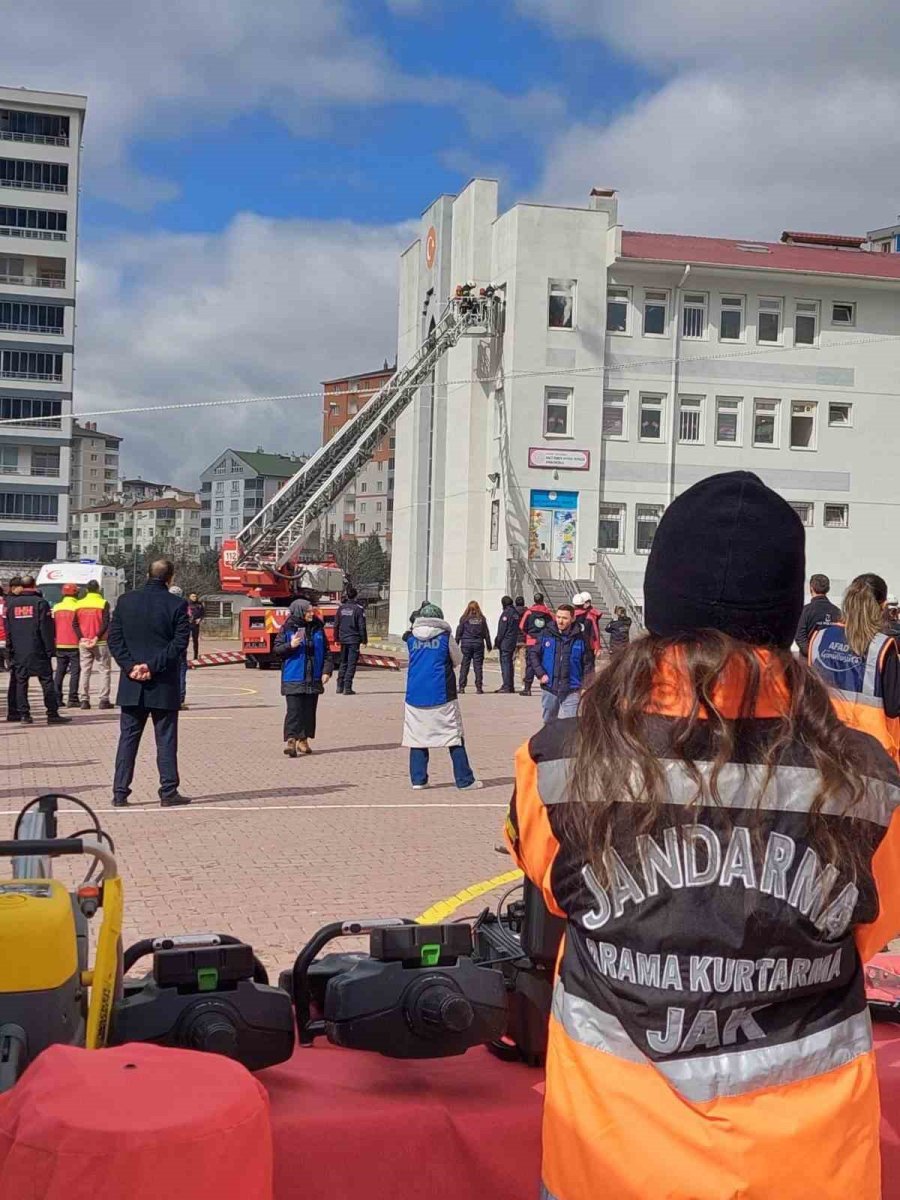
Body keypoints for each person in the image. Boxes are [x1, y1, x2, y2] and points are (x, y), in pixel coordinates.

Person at [505, 470, 900, 1200]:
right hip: (809, 1171)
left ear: (660, 603)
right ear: (787, 616)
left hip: (610, 1163)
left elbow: (555, 903)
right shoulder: (873, 776)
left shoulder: (558, 762)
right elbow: (870, 934)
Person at [108, 559, 191, 808]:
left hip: (131, 682)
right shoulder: (177, 604)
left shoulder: (125, 601)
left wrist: (131, 666)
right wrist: (152, 666)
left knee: (128, 739)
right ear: (171, 578)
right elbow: (179, 644)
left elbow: (114, 639)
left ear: (147, 573)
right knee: (165, 739)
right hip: (163, 682)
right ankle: (168, 791)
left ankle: (120, 792)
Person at [809, 572, 900, 763]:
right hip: (871, 753)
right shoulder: (882, 646)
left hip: (824, 742)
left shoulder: (819, 638)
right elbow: (894, 707)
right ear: (882, 606)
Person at [402, 603, 481, 790]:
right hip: (442, 693)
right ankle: (464, 780)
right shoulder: (445, 637)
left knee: (417, 737)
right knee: (453, 736)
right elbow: (458, 659)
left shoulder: (411, 638)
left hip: (415, 693)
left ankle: (418, 779)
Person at [7, 575, 67, 726]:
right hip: (38, 650)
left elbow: (8, 630)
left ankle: (24, 715)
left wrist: (10, 651)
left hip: (19, 651)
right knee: (46, 682)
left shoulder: (12, 605)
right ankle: (52, 713)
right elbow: (45, 629)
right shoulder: (41, 603)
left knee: (21, 683)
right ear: (34, 585)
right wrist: (50, 650)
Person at [274, 598, 331, 756]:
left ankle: (303, 740)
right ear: (299, 611)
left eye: (312, 610)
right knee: (294, 711)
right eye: (308, 611)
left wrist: (327, 671)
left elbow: (326, 651)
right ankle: (291, 740)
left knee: (309, 711)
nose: (311, 613)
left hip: (313, 677)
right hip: (293, 676)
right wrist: (290, 646)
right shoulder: (287, 628)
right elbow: (277, 650)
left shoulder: (318, 628)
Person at [528, 603, 593, 722]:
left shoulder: (581, 638)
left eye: (564, 618)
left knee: (572, 725)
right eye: (558, 617)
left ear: (573, 618)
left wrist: (586, 685)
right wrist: (541, 674)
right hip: (550, 688)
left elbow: (588, 664)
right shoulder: (546, 634)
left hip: (572, 688)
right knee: (549, 723)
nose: (560, 621)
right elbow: (533, 654)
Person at [74, 579, 112, 710]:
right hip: (100, 642)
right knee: (104, 671)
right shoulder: (103, 603)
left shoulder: (79, 604)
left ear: (86, 590)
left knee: (85, 670)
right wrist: (96, 637)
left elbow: (75, 624)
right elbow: (106, 622)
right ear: (98, 589)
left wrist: (82, 638)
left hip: (84, 642)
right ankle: (104, 700)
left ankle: (84, 700)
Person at [795, 572, 841, 656]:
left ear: (811, 588)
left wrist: (812, 655)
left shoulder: (805, 611)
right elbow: (840, 637)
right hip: (830, 662)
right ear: (828, 589)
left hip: (808, 662)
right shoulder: (837, 612)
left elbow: (799, 637)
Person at [518, 592, 554, 696]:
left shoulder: (529, 612)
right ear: (543, 600)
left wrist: (529, 634)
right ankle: (547, 686)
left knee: (530, 664)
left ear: (534, 600)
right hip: (545, 641)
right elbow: (553, 625)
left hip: (531, 641)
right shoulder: (548, 613)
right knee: (545, 663)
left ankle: (527, 688)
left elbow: (521, 626)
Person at [52, 583, 81, 707]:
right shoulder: (78, 606)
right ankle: (73, 698)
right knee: (75, 672)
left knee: (60, 671)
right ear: (76, 593)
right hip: (75, 643)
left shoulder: (56, 607)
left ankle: (57, 698)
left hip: (60, 642)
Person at [335, 586, 367, 695]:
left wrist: (336, 638)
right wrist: (364, 640)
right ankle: (347, 688)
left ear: (347, 595)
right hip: (354, 640)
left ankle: (339, 686)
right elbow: (362, 626)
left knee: (343, 662)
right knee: (351, 663)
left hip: (343, 639)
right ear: (356, 595)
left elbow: (336, 624)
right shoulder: (358, 609)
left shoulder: (341, 608)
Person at [455, 601, 492, 694]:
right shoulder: (482, 619)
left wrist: (456, 643)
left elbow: (459, 632)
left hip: (466, 644)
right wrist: (489, 645)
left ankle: (462, 687)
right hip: (478, 644)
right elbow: (486, 633)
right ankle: (479, 687)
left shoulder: (464, 619)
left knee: (464, 666)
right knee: (478, 666)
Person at [494, 595, 520, 693]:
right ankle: (510, 685)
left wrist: (497, 641)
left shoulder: (506, 614)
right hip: (512, 641)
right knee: (509, 664)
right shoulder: (515, 613)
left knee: (505, 664)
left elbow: (502, 630)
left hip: (506, 642)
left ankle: (507, 686)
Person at [4, 576, 21, 721]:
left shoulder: (6, 601)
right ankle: (14, 711)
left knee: (15, 679)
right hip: (10, 644)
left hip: (8, 643)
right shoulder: (13, 602)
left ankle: (14, 711)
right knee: (16, 679)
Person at [512, 594, 527, 687]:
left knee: (511, 660)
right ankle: (523, 682)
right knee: (523, 661)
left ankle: (510, 681)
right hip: (524, 639)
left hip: (513, 638)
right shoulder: (527, 612)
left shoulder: (512, 612)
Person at [187, 593, 206, 660]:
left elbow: (203, 614)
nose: (194, 597)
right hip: (187, 624)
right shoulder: (186, 604)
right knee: (185, 640)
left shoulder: (199, 604)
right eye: (193, 596)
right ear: (189, 597)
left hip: (195, 624)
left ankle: (195, 656)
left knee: (195, 640)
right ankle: (183, 656)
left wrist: (200, 619)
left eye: (195, 596)